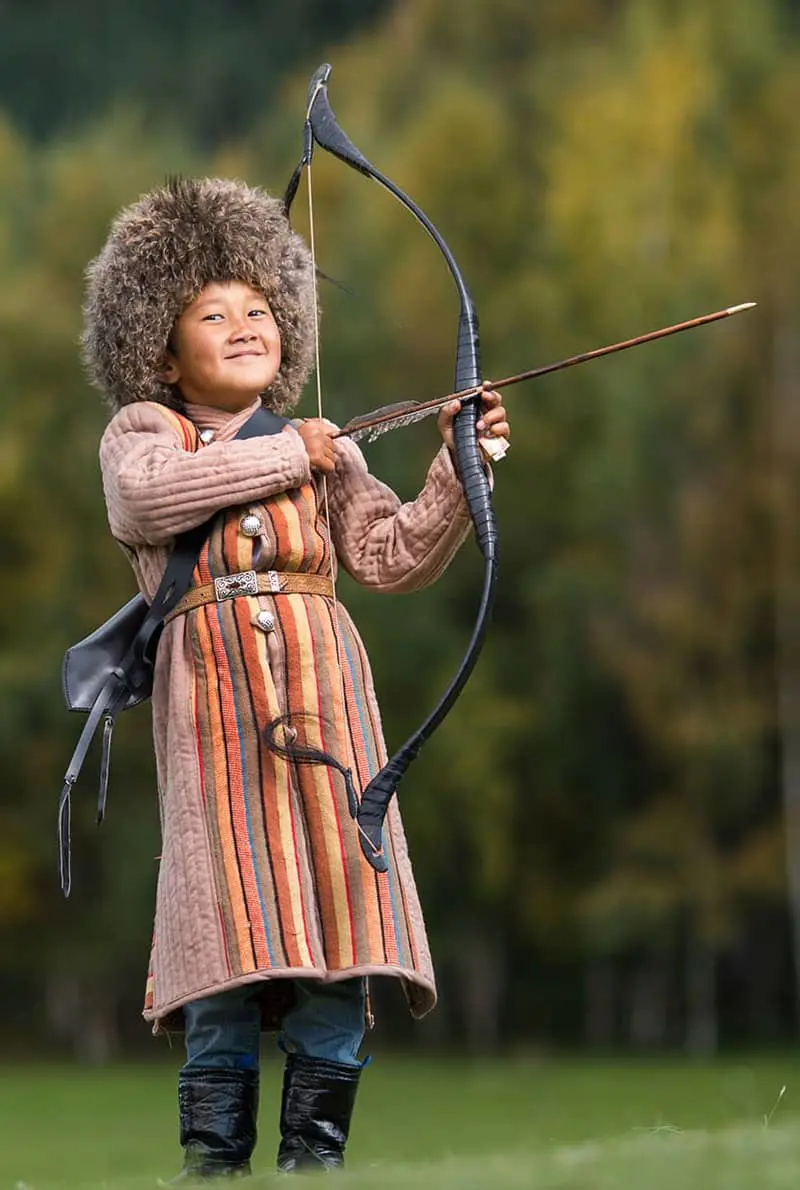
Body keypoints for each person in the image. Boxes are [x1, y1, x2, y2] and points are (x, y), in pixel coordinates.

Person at [82, 176, 510, 1178]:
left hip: (327, 714)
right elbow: (150, 499)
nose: (245, 325)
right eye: (213, 313)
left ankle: (312, 1162)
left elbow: (391, 555)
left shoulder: (323, 454)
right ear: (161, 349)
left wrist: (461, 465)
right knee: (224, 945)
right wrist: (291, 454)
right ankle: (214, 1163)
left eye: (260, 309)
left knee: (337, 938)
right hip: (214, 721)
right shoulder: (146, 434)